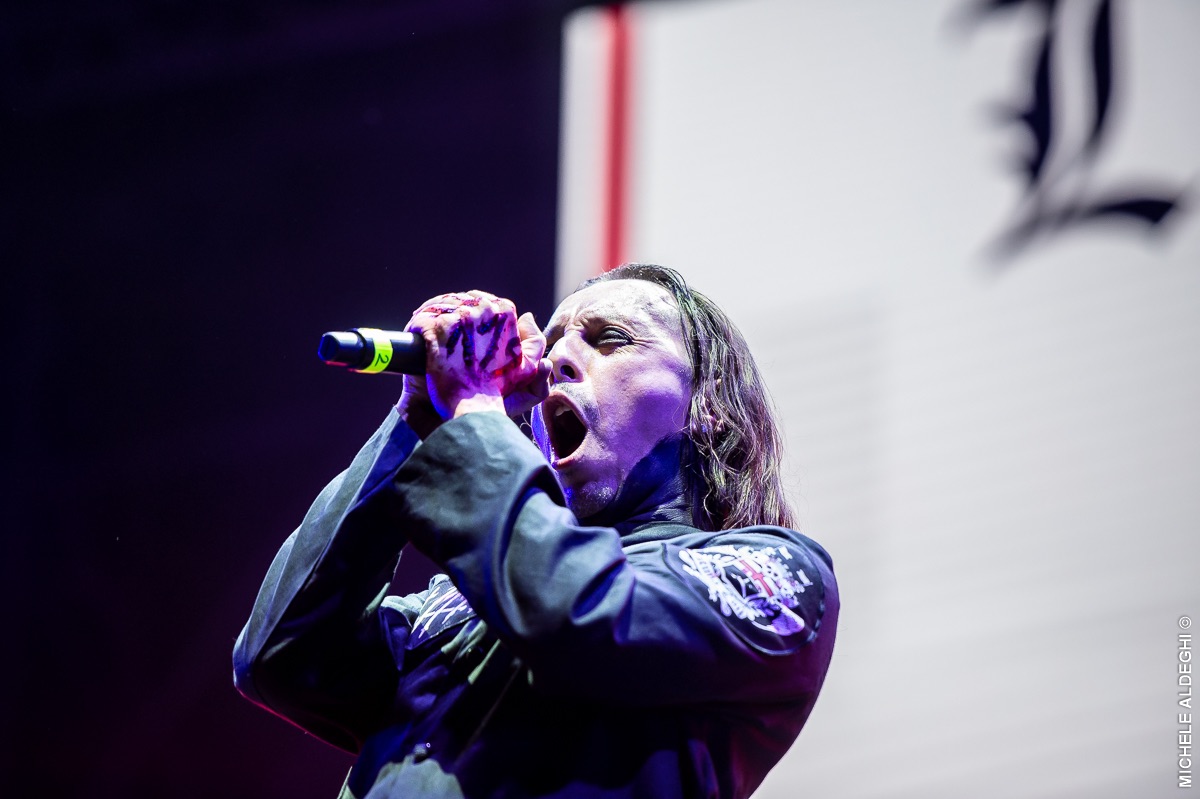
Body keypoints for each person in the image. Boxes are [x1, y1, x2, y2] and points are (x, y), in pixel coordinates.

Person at [233, 263, 839, 799]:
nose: (555, 363)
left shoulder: (775, 574)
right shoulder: (461, 602)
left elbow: (577, 616)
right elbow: (283, 657)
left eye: (611, 339)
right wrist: (416, 420)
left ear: (710, 406)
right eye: (549, 344)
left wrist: (473, 408)